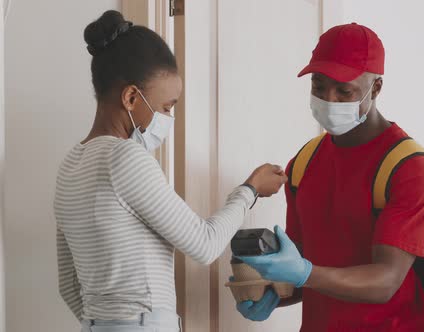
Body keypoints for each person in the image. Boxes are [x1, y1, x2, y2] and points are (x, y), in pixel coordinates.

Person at [54, 10, 287, 332]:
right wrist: (248, 191)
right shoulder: (126, 158)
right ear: (131, 97)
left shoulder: (71, 165)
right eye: (166, 107)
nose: (168, 118)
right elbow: (204, 244)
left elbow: (68, 285)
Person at [236, 23, 424, 331]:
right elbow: (304, 270)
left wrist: (303, 272)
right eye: (319, 86)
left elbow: (386, 281)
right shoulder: (304, 162)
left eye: (345, 92)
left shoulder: (408, 169)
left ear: (377, 88)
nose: (330, 100)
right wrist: (272, 291)